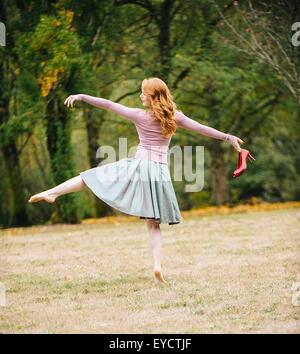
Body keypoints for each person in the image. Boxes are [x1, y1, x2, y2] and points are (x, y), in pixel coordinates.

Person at [28, 77, 244, 284]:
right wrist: (228, 137)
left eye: (144, 93)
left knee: (90, 177)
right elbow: (201, 128)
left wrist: (82, 96)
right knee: (154, 224)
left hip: (139, 167)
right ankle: (157, 265)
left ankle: (52, 193)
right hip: (159, 174)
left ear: (152, 97)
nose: (140, 96)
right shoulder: (175, 117)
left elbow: (109, 105)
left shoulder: (140, 116)